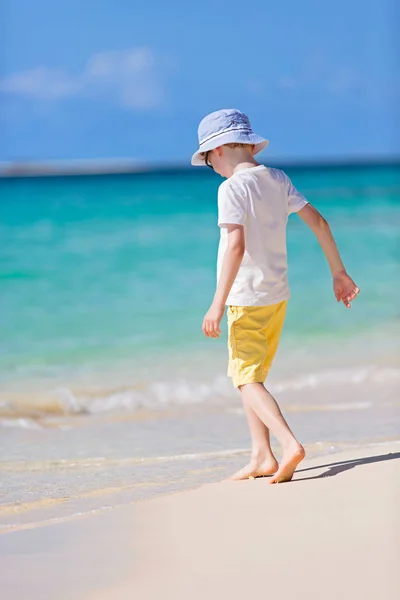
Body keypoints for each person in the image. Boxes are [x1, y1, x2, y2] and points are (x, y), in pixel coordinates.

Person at [191, 108, 360, 483]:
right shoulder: (278, 179)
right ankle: (261, 455)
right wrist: (339, 272)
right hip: (276, 295)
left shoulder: (231, 188)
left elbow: (236, 245)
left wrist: (217, 303)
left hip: (245, 298)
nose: (210, 167)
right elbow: (318, 221)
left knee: (244, 379)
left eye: (206, 160)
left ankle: (288, 443)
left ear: (219, 150)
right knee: (254, 374)